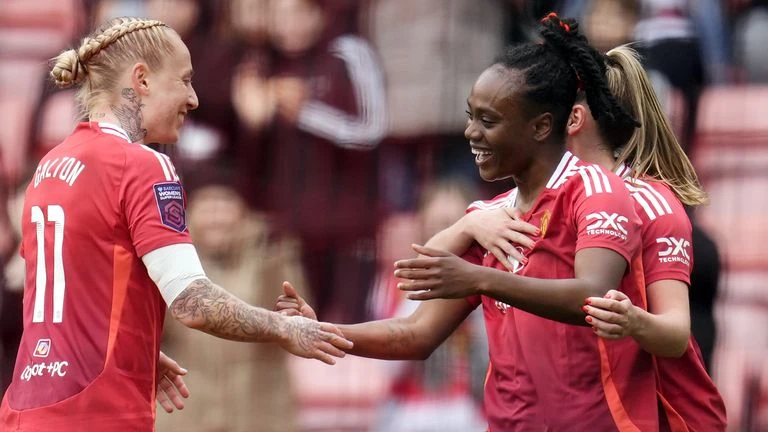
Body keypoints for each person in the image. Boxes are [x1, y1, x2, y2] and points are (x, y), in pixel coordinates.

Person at [278, 14, 661, 431]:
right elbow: (416, 335)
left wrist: (481, 279)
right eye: (470, 116)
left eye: (488, 121)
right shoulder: (491, 218)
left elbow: (594, 297)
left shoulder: (596, 193)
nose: (470, 133)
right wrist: (322, 329)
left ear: (541, 126)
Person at [0, 17, 352, 432]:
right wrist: (284, 328)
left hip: (27, 409)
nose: (194, 98)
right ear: (142, 80)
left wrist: (137, 349)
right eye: (184, 80)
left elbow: (73, 294)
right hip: (99, 413)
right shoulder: (143, 163)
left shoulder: (50, 166)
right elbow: (193, 304)